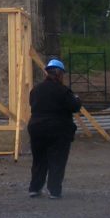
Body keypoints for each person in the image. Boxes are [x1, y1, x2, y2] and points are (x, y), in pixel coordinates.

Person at [27, 58, 81, 199]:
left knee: (39, 159)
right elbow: (75, 107)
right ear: (59, 74)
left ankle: (34, 188)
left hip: (36, 128)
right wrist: (77, 98)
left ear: (47, 73)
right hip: (58, 130)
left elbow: (31, 103)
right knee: (57, 160)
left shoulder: (36, 90)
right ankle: (54, 191)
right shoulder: (63, 91)